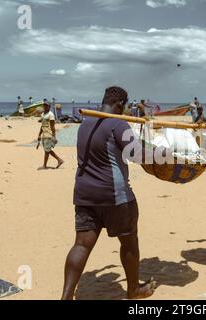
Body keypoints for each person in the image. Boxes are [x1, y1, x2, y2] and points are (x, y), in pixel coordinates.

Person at [62, 86, 158, 300]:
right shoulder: (118, 123)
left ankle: (66, 296)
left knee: (81, 244)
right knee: (129, 240)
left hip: (84, 194)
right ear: (120, 104)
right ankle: (133, 290)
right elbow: (136, 155)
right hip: (114, 196)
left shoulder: (86, 124)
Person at [37, 102, 64, 170]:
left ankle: (45, 165)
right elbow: (42, 125)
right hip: (44, 134)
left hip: (49, 134)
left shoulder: (51, 115)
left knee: (47, 150)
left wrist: (54, 136)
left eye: (47, 106)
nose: (45, 107)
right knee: (47, 150)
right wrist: (39, 134)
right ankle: (59, 160)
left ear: (49, 107)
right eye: (44, 106)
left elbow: (53, 126)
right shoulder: (43, 114)